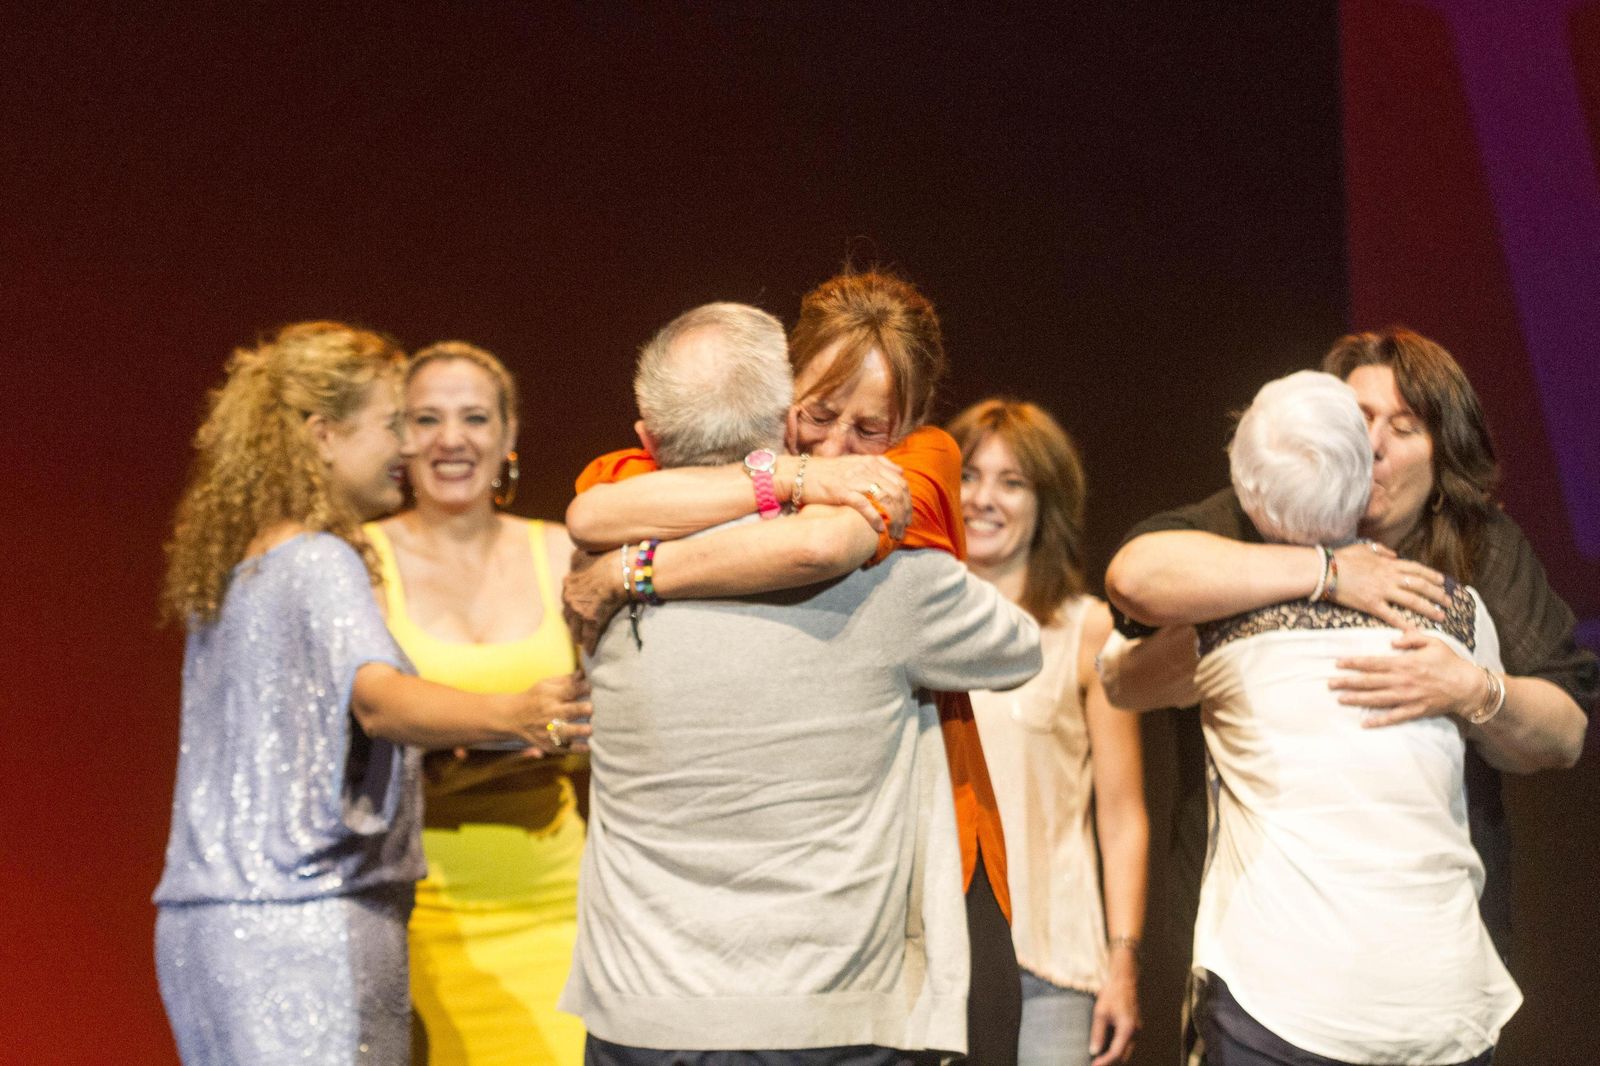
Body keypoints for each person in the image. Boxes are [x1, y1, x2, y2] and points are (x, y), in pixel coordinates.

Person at [557, 302, 1043, 1063]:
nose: (840, 447)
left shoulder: (918, 469)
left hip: (936, 826)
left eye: (869, 430)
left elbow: (825, 542)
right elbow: (591, 509)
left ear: (907, 428)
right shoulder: (662, 473)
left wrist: (637, 570)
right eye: (816, 415)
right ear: (779, 394)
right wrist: (788, 476)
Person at [1103, 328, 1593, 965]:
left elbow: (1565, 733)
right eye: (1358, 418)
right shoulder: (1255, 520)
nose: (1373, 446)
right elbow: (1135, 577)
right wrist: (1327, 574)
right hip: (1256, 948)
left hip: (1422, 940)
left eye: (1407, 426)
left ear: (1443, 455)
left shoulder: (1482, 550)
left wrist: (1474, 691)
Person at [153, 322, 572, 1064]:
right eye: (394, 425)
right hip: (306, 922)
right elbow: (377, 699)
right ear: (322, 436)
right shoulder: (322, 560)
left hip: (209, 926)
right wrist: (519, 711)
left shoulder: (240, 565)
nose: (407, 449)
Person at [1169, 370, 1519, 1062]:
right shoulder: (1455, 610)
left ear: (1246, 492)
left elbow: (1123, 657)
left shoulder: (1217, 627)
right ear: (1363, 483)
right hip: (1439, 1003)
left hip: (1282, 1003)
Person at [363, 342, 590, 1065]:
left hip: (557, 900)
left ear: (509, 435)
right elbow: (362, 715)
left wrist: (573, 736)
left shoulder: (563, 552)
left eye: (474, 418)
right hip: (416, 907)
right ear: (398, 438)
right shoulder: (360, 559)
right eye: (426, 419)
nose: (451, 439)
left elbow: (612, 714)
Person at [948, 400, 1146, 1066]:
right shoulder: (912, 621)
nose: (983, 498)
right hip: (927, 960)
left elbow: (1122, 816)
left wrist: (1122, 961)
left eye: (1012, 481)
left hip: (1050, 967)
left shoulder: (1084, 630)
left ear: (1045, 501)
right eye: (970, 475)